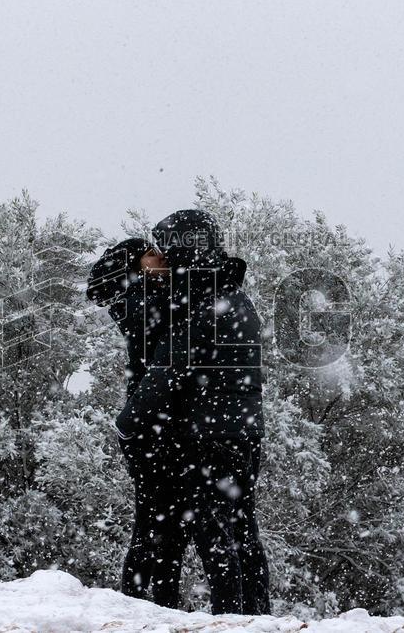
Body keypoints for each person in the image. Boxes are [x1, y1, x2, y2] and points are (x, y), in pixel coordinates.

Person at [117, 209, 271, 615]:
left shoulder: (206, 307)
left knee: (212, 532)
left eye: (167, 249)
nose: (163, 258)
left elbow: (166, 373)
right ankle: (254, 615)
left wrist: (127, 428)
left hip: (209, 437)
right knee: (240, 529)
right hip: (242, 432)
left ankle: (232, 618)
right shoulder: (235, 297)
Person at [86, 237, 190, 609]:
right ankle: (141, 600)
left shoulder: (142, 296)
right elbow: (172, 320)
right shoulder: (139, 300)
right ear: (133, 264)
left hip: (156, 421)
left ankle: (155, 600)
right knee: (156, 519)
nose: (161, 256)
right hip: (150, 425)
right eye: (150, 253)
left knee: (165, 519)